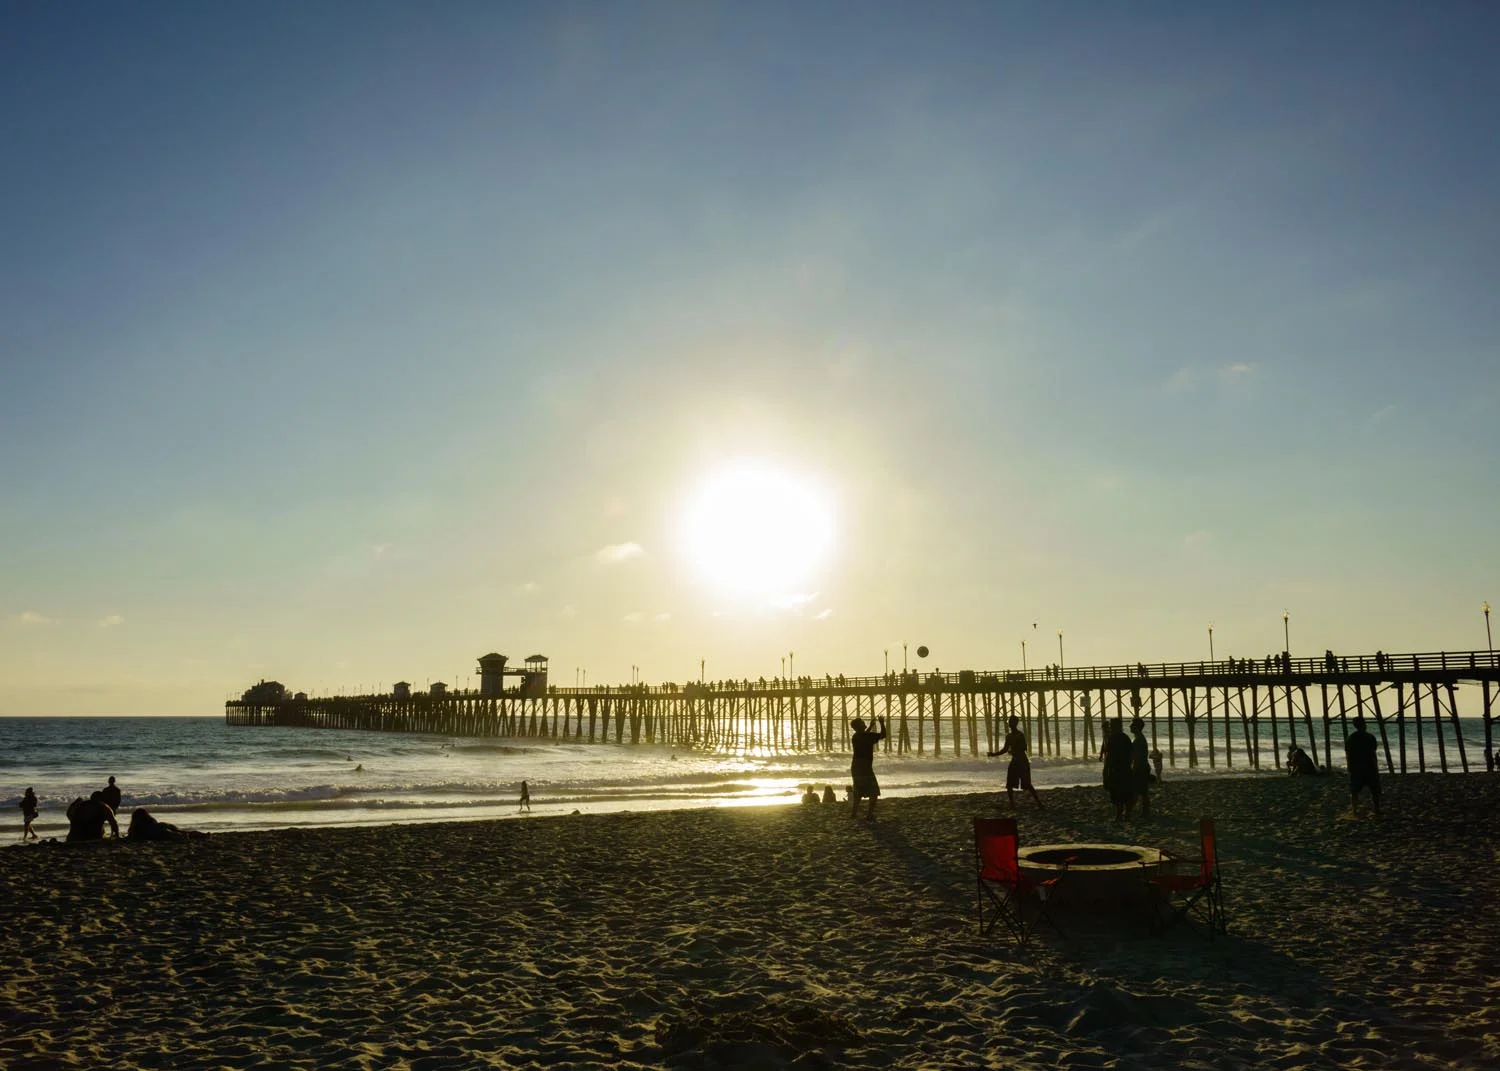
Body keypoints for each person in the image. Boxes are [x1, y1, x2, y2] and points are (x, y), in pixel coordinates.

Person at [988, 716, 1042, 809]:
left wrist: (1013, 751)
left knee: (1027, 784)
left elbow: (1024, 748)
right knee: (1009, 784)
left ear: (1015, 723)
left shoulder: (1020, 735)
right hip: (1015, 761)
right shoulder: (1009, 736)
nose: (1009, 723)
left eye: (1011, 721)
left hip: (1022, 761)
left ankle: (1039, 803)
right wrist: (994, 754)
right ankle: (1012, 805)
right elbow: (1005, 749)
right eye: (1009, 721)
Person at [848, 716, 888, 820]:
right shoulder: (867, 736)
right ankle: (869, 814)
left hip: (855, 766)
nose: (863, 723)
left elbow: (864, 735)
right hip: (865, 766)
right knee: (874, 791)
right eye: (862, 722)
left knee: (858, 790)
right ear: (859, 726)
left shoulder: (856, 736)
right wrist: (881, 722)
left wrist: (870, 726)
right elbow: (883, 735)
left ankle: (854, 813)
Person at [1345, 714, 1381, 817]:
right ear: (1364, 725)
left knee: (1355, 790)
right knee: (1374, 789)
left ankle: (1354, 811)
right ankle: (1376, 809)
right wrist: (1376, 767)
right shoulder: (1370, 737)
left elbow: (1349, 754)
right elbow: (1373, 753)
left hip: (1357, 767)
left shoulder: (1351, 738)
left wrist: (1349, 767)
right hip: (1369, 766)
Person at [1101, 719, 1134, 822]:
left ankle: (1119, 815)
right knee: (1126, 793)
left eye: (1111, 725)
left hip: (1115, 769)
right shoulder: (1126, 737)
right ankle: (1127, 814)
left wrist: (1105, 772)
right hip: (1126, 769)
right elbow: (1131, 754)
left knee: (1116, 793)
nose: (1110, 727)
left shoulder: (1112, 739)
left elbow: (1109, 757)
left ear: (1115, 727)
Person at [125, 808, 196, 841]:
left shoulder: (138, 827)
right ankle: (197, 834)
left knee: (178, 835)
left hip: (160, 830)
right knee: (182, 832)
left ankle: (190, 835)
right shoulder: (150, 820)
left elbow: (133, 836)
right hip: (162, 825)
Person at [1129, 718, 1152, 819]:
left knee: (1137, 790)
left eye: (1132, 725)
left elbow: (1135, 757)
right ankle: (1144, 811)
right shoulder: (1140, 738)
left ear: (1137, 727)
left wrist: (1132, 768)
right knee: (1142, 791)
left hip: (1140, 767)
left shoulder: (1138, 740)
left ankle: (1131, 811)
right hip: (1143, 766)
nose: (1130, 726)